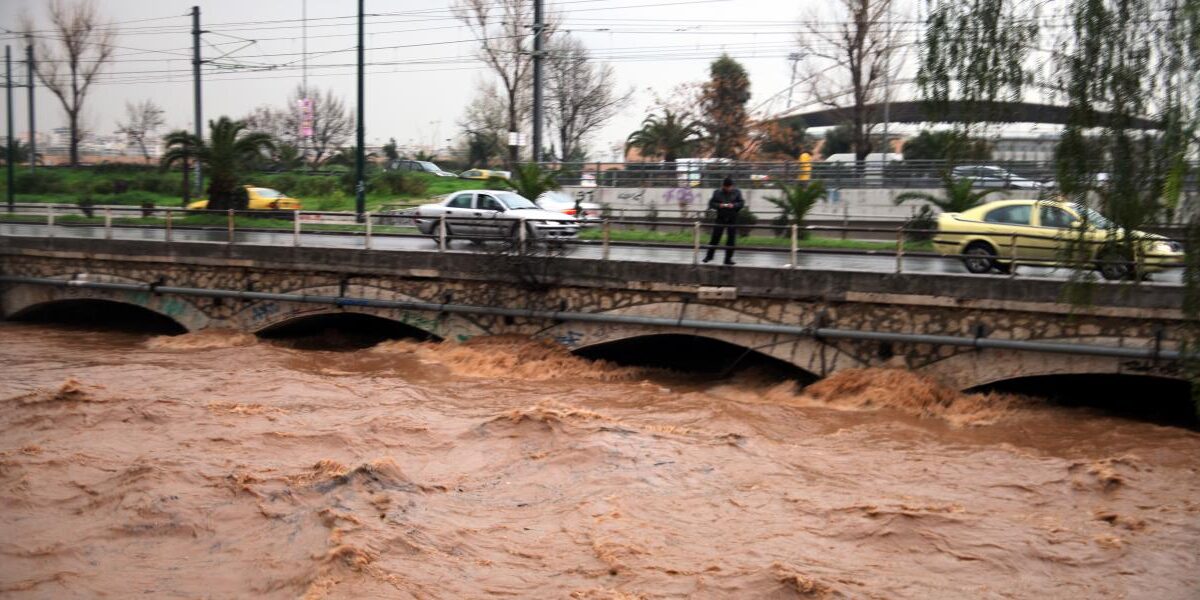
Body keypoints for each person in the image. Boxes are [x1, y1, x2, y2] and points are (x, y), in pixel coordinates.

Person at [703, 177, 744, 265]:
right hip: (721, 217)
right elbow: (711, 203)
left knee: (731, 240)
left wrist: (733, 205)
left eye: (730, 187)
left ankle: (728, 259)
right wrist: (719, 205)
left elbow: (741, 203)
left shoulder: (737, 192)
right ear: (723, 186)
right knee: (715, 237)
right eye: (726, 187)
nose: (728, 189)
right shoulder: (717, 192)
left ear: (732, 186)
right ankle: (709, 256)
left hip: (732, 217)